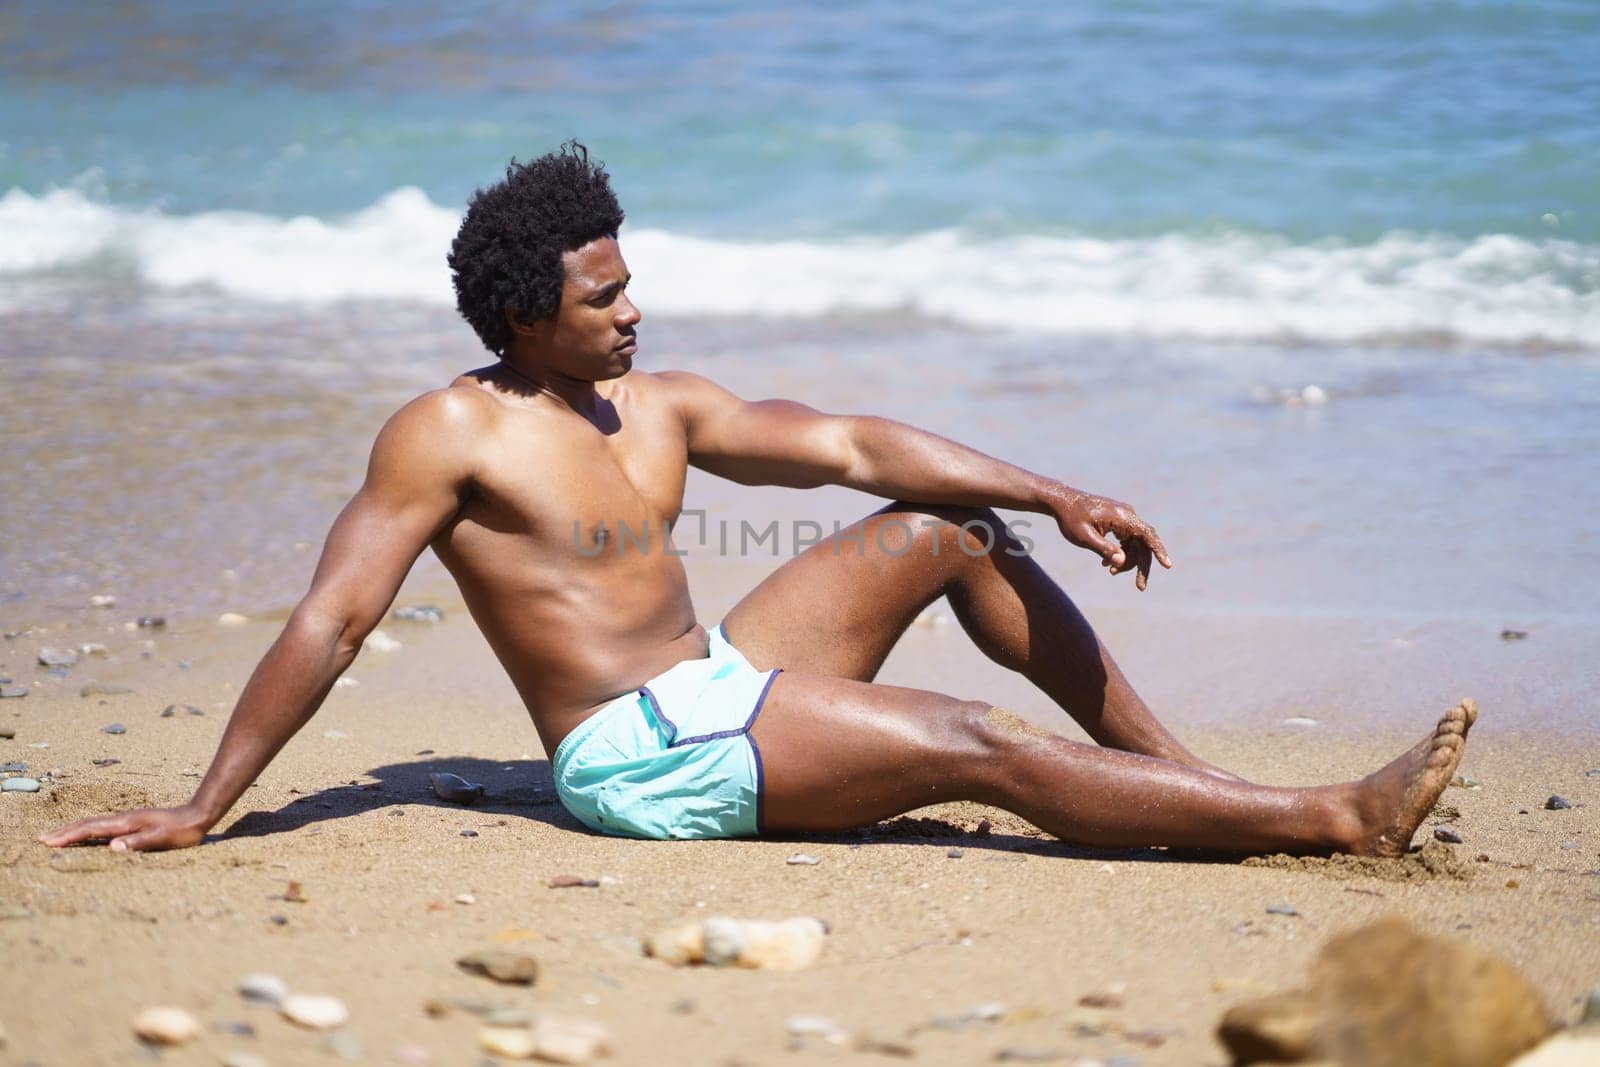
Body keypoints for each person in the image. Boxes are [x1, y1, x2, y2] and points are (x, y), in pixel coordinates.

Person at [41, 142, 1474, 855]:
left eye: (630, 281)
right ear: (522, 312)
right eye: (603, 297)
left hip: (718, 681)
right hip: (633, 755)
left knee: (953, 535)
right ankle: (1326, 822)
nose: (633, 312)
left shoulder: (654, 405)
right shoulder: (445, 433)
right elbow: (335, 618)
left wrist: (1058, 490)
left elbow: (849, 443)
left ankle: (1200, 788)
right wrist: (201, 806)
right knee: (970, 740)